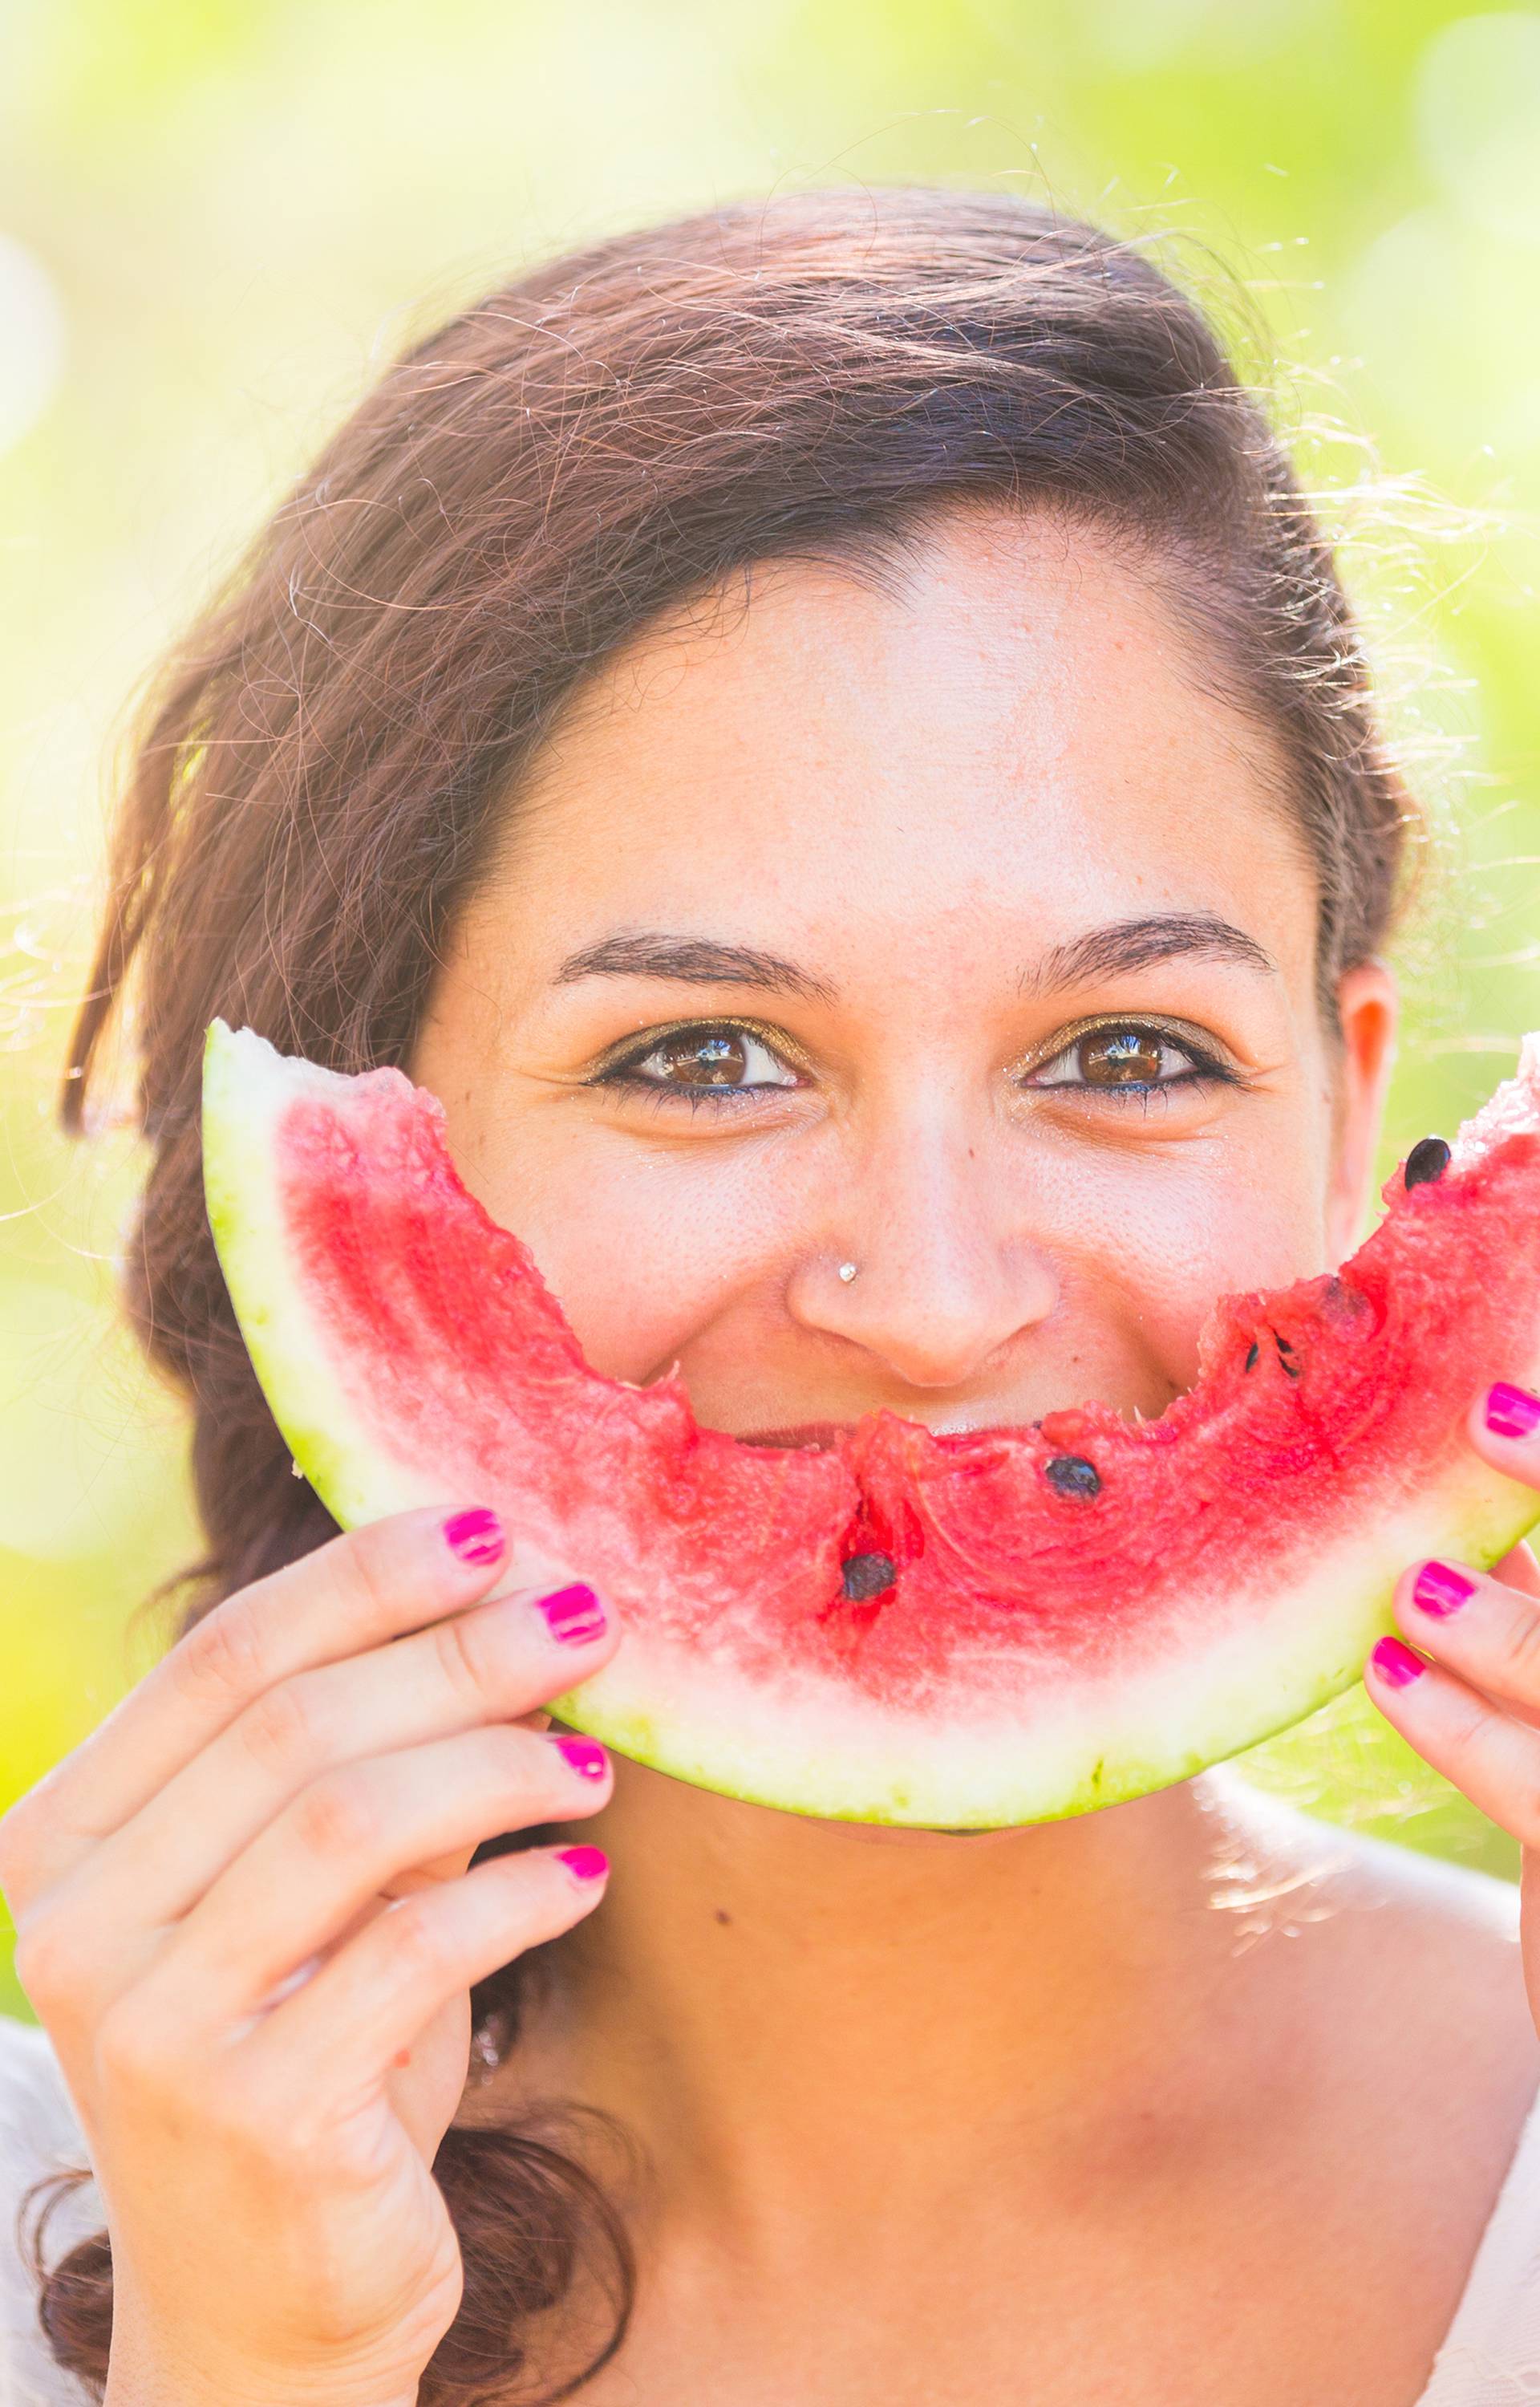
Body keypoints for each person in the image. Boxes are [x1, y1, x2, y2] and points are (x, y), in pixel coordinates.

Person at [2, 184, 1540, 2407]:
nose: (926, 1297)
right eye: (697, 1060)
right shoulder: (94, 2232)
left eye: (1127, 1056)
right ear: (379, 1142)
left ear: (1342, 1112)